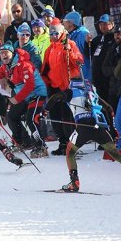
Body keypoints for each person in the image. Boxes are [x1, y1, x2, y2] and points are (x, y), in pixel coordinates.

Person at [45, 78, 121, 192]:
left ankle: (74, 182)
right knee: (116, 154)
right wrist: (113, 129)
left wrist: (44, 112)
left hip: (83, 127)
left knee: (70, 152)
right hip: (100, 127)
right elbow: (109, 108)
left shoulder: (70, 92)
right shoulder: (92, 93)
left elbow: (55, 97)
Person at [0, 43, 49, 158]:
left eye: (6, 53)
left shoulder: (24, 65)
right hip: (24, 96)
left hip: (36, 94)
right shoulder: (6, 67)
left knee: (31, 119)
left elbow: (30, 86)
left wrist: (16, 98)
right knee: (12, 116)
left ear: (12, 54)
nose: (4, 56)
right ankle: (23, 142)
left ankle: (41, 146)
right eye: (1, 53)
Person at [40, 18, 84, 154]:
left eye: (56, 33)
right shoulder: (49, 49)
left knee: (67, 117)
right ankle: (62, 143)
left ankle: (71, 144)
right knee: (55, 116)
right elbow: (45, 68)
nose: (53, 36)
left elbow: (79, 61)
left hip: (67, 86)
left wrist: (69, 51)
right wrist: (45, 83)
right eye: (51, 33)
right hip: (54, 86)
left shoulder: (69, 44)